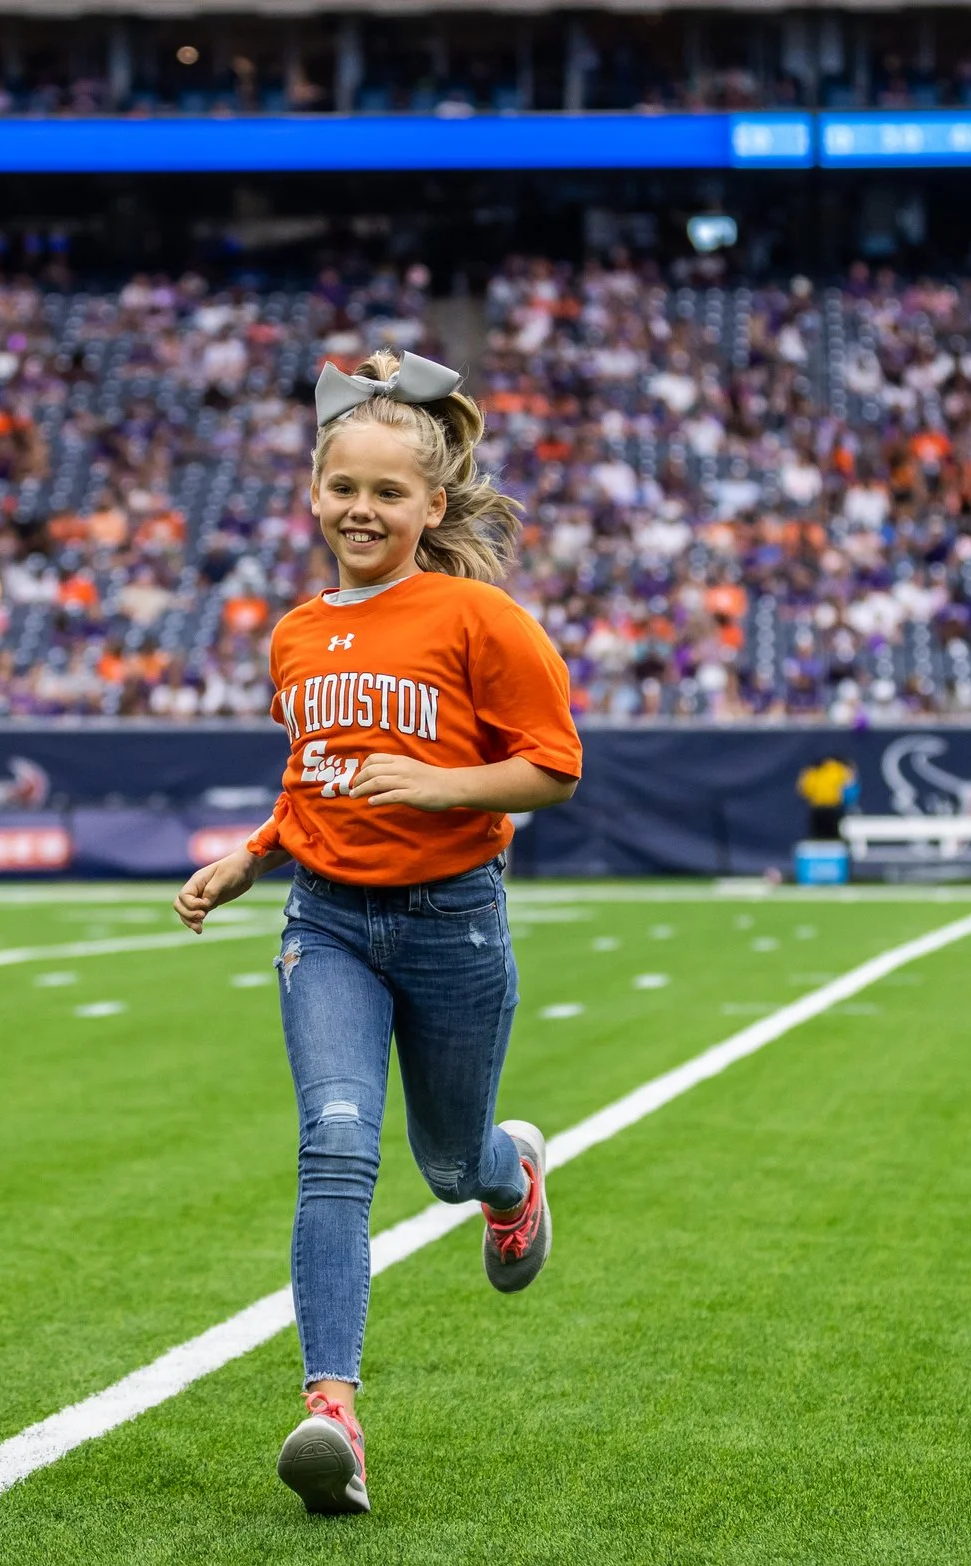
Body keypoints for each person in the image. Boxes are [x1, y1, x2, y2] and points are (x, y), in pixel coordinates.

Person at [172, 349, 582, 1516]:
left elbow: (554, 767)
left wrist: (443, 786)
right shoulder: (295, 634)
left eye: (388, 492)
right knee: (336, 1146)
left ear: (431, 506)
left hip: (453, 925)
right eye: (343, 487)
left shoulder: (479, 617)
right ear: (313, 493)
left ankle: (509, 1178)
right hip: (328, 926)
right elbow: (314, 780)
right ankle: (332, 1412)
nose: (362, 509)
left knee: (447, 1166)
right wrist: (253, 855)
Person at [796, 754, 855, 841]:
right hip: (833, 809)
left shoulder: (814, 771)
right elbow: (850, 787)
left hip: (819, 809)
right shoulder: (840, 770)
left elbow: (803, 789)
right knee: (834, 837)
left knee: (819, 837)